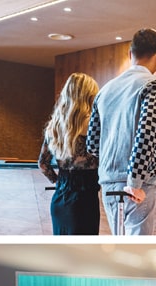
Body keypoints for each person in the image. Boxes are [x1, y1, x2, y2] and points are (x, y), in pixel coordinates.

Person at [86, 28, 156, 235]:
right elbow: (146, 133)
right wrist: (134, 182)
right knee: (141, 253)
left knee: (121, 251)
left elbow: (94, 144)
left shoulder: (105, 90)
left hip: (109, 185)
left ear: (130, 54)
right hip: (141, 186)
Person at [38, 73, 100, 235]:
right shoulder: (92, 123)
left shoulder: (55, 125)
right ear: (89, 95)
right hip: (84, 200)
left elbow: (43, 164)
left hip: (60, 197)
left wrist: (59, 181)